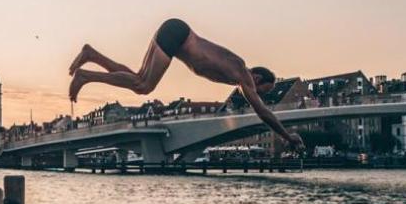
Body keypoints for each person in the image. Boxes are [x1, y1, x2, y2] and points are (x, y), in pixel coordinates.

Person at [68, 18, 305, 151]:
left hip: (175, 32)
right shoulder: (242, 73)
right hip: (178, 35)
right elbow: (262, 112)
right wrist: (287, 135)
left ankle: (92, 55)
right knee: (143, 85)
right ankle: (85, 76)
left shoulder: (236, 73)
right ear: (257, 79)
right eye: (265, 91)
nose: (260, 96)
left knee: (139, 79)